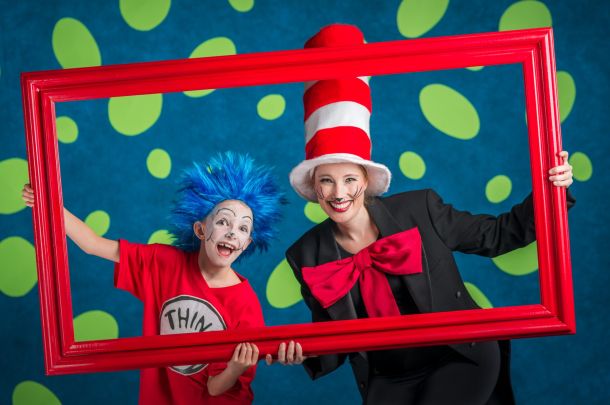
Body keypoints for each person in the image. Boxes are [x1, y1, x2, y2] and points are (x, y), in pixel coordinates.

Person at [281, 24, 575, 404]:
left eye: (349, 179)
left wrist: (552, 190)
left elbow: (497, 236)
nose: (339, 194)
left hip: (457, 355)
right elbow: (333, 339)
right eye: (327, 181)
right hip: (389, 380)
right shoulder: (306, 254)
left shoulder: (419, 209)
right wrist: (299, 352)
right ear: (314, 187)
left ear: (367, 180)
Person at [23, 152, 285, 404]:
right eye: (223, 222)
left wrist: (237, 368)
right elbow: (93, 244)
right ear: (200, 229)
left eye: (242, 228)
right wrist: (49, 205)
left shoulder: (246, 304)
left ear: (247, 243)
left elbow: (215, 388)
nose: (232, 233)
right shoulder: (165, 264)